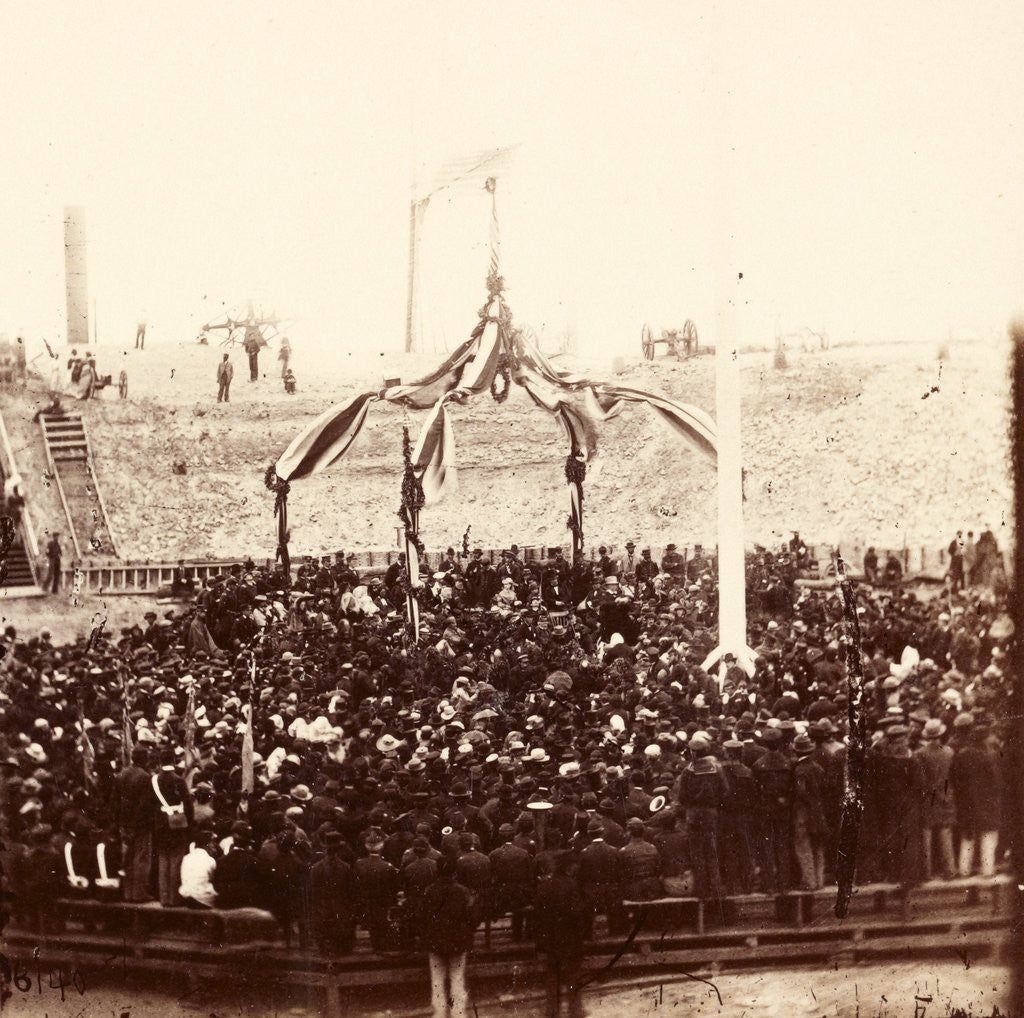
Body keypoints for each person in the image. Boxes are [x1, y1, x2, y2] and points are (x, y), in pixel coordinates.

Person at [420, 855, 478, 1018]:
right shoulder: (463, 891)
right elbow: (472, 918)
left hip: (436, 942)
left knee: (437, 979)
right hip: (457, 941)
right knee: (457, 977)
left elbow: (423, 917)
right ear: (455, 872)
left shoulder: (429, 891)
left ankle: (439, 1013)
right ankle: (458, 1012)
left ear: (437, 871)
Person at [533, 851, 589, 1018]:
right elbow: (577, 912)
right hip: (570, 935)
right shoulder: (571, 884)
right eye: (573, 865)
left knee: (552, 973)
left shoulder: (544, 885)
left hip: (550, 936)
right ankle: (575, 1010)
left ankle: (552, 1010)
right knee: (573, 972)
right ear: (568, 867)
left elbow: (538, 913)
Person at [113, 746, 156, 902]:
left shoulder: (121, 775)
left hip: (124, 824)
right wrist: (135, 825)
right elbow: (144, 806)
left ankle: (128, 892)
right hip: (140, 825)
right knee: (141, 859)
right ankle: (139, 893)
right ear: (144, 758)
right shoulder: (145, 777)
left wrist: (121, 824)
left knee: (128, 859)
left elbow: (115, 803)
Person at [309, 830, 356, 954]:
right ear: (338, 849)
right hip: (340, 908)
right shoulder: (345, 867)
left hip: (322, 907)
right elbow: (351, 891)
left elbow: (313, 892)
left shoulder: (315, 868)